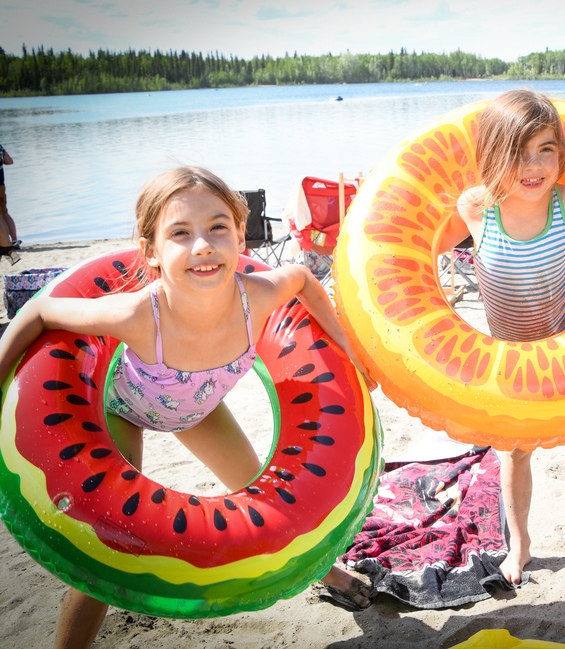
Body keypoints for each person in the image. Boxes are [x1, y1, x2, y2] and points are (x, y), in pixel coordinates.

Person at [0, 166, 374, 648]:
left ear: (241, 234)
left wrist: (349, 353)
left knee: (268, 494)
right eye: (180, 233)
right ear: (151, 252)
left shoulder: (257, 297)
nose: (203, 244)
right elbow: (40, 312)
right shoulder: (136, 314)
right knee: (109, 536)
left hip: (197, 409)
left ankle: (328, 574)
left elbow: (303, 278)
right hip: (122, 406)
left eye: (218, 226)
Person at [438, 89, 565, 593]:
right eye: (520, 152)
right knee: (514, 453)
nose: (535, 166)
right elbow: (411, 257)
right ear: (495, 155)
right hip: (509, 359)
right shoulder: (477, 209)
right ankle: (519, 544)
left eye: (546, 149)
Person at [0, 142, 19, 258]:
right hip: (1, 185)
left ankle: (10, 253)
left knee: (0, 218)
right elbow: (9, 161)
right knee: (4, 214)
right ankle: (14, 241)